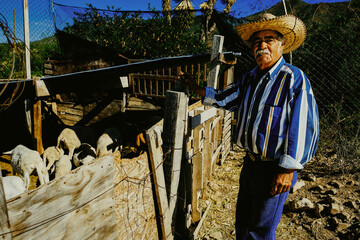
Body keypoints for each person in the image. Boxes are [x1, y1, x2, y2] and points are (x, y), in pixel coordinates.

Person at [181, 13, 319, 239]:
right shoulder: (249, 78)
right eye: (257, 41)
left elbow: (302, 125)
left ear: (282, 45)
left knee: (261, 231)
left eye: (269, 39)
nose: (262, 45)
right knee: (243, 223)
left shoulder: (294, 79)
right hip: (250, 164)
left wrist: (288, 169)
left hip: (275, 168)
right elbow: (225, 98)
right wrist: (196, 89)